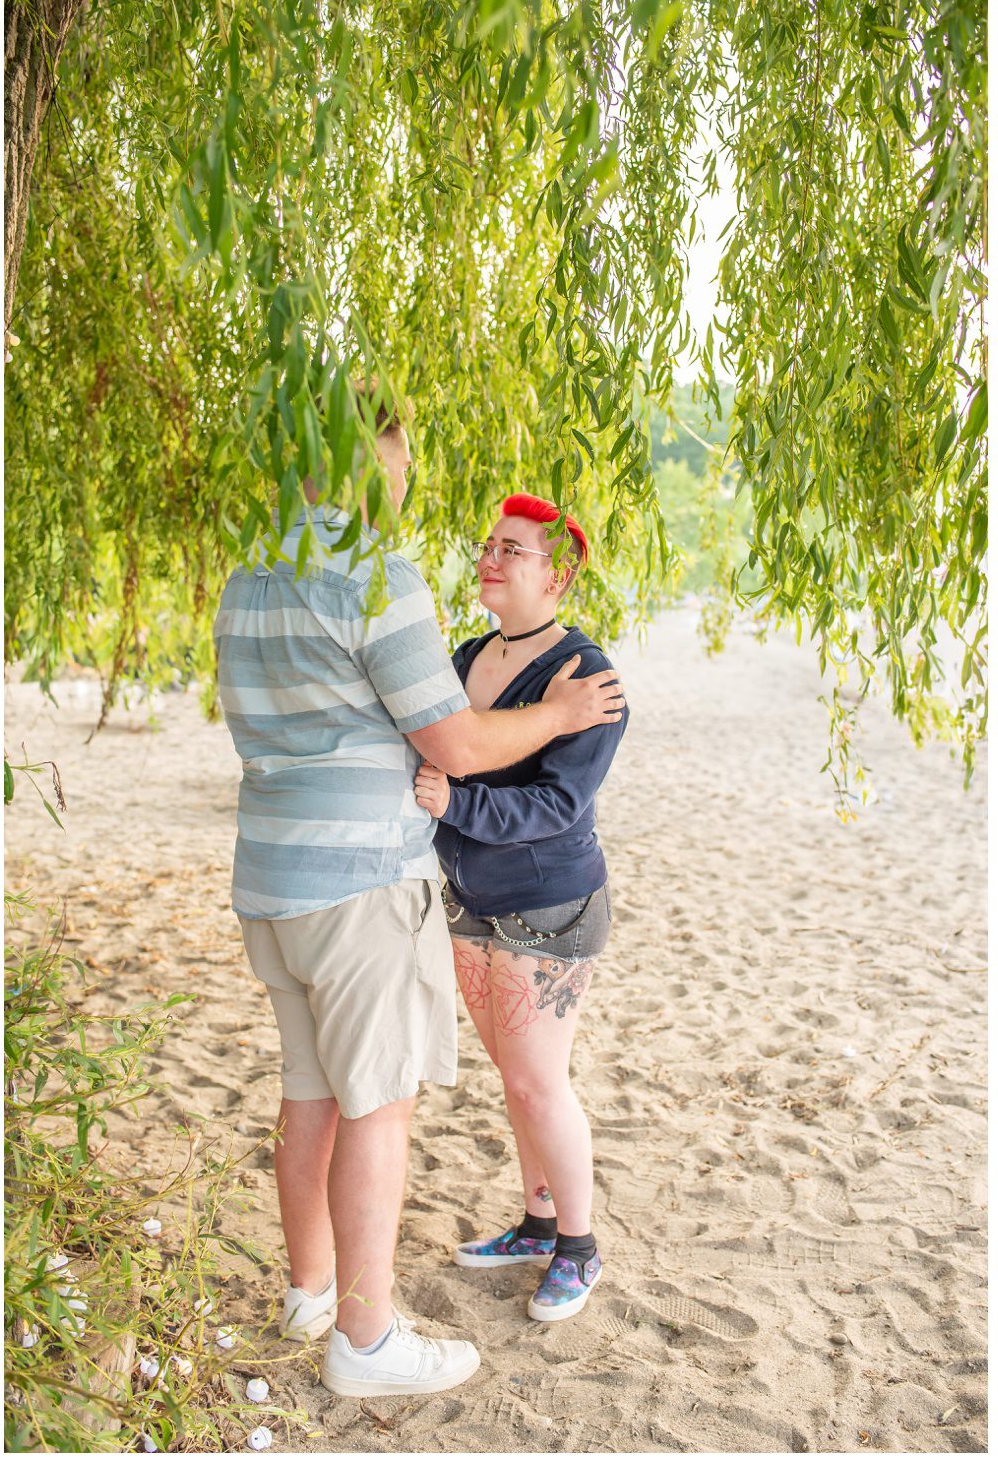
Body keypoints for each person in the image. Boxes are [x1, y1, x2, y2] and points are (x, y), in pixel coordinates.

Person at [214, 391, 626, 1398]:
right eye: (393, 463)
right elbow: (450, 742)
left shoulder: (244, 577)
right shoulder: (373, 578)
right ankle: (364, 1338)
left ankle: (309, 1289)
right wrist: (560, 709)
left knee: (308, 1088)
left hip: (271, 875)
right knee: (379, 1104)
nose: (401, 483)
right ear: (359, 467)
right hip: (359, 885)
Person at [412, 494, 626, 1322]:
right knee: (517, 1078)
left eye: (513, 550)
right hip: (471, 900)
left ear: (559, 573)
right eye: (487, 545)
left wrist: (452, 806)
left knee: (541, 1081)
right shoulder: (467, 655)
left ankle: (580, 1248)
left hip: (550, 903)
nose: (490, 559)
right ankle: (538, 1222)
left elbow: (557, 806)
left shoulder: (587, 677)